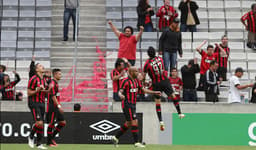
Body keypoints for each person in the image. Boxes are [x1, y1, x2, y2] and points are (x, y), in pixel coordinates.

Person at [112, 66, 161, 148]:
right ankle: (136, 142)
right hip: (127, 104)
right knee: (135, 121)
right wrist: (120, 95)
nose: (138, 73)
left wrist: (154, 92)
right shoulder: (125, 81)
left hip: (133, 104)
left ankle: (115, 137)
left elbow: (144, 90)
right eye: (136, 71)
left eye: (137, 71)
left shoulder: (137, 81)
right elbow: (120, 91)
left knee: (128, 123)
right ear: (130, 72)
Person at [143, 47, 185, 131]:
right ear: (155, 52)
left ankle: (161, 121)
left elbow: (144, 76)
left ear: (148, 54)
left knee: (158, 103)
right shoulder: (159, 58)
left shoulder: (147, 64)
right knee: (173, 95)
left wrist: (145, 82)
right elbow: (164, 68)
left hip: (156, 83)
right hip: (164, 80)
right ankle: (180, 113)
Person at [27, 63, 48, 149]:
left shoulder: (44, 79)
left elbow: (44, 91)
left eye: (43, 65)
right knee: (39, 123)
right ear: (36, 70)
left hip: (42, 103)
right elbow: (28, 93)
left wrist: (47, 91)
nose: (42, 67)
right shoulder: (33, 79)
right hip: (34, 102)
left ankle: (39, 144)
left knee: (41, 124)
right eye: (40, 66)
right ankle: (31, 137)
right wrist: (37, 90)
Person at [46, 69, 66, 147]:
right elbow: (53, 96)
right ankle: (49, 142)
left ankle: (51, 138)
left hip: (56, 106)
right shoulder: (53, 83)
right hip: (52, 106)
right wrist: (59, 106)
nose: (61, 75)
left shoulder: (55, 83)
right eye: (59, 74)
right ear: (55, 75)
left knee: (62, 123)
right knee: (51, 124)